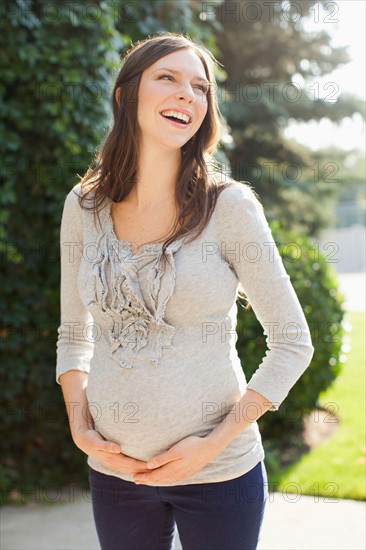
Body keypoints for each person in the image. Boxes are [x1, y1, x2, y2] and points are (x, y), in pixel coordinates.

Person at [56, 32, 314, 550]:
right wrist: (81, 427)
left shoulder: (230, 207)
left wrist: (213, 444)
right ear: (126, 95)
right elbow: (72, 331)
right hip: (117, 475)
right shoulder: (84, 207)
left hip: (220, 476)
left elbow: (293, 341)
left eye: (200, 88)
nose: (188, 96)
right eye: (168, 79)